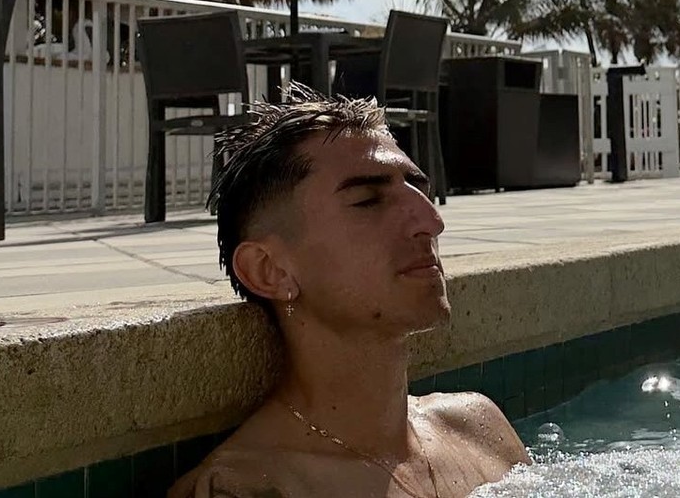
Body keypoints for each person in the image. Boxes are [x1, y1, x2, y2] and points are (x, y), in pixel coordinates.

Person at [169, 85, 531, 498]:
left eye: (419, 190)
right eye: (367, 200)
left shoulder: (479, 430)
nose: (431, 221)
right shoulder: (244, 489)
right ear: (270, 271)